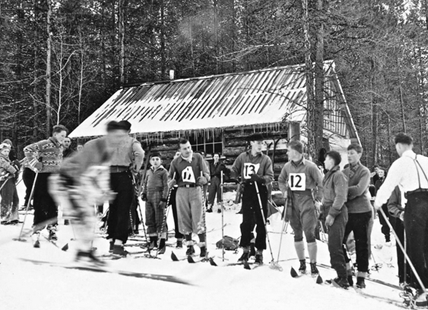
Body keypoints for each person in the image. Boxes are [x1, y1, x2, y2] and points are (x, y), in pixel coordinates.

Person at [50, 121, 121, 266]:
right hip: (65, 182)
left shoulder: (108, 151)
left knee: (89, 218)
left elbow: (101, 175)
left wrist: (105, 191)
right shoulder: (95, 147)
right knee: (82, 217)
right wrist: (95, 193)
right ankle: (84, 252)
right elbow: (82, 174)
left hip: (77, 184)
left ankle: (84, 252)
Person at [374, 133, 428, 304]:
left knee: (415, 247)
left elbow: (388, 185)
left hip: (415, 203)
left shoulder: (400, 163)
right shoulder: (425, 160)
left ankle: (420, 289)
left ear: (398, 146)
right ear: (411, 145)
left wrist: (377, 204)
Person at [278, 140, 323, 275]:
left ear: (296, 152)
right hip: (293, 200)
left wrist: (318, 199)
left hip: (307, 199)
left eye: (289, 150)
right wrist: (284, 191)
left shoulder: (310, 166)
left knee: (309, 231)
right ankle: (302, 263)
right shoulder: (287, 167)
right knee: (297, 231)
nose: (287, 153)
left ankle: (313, 264)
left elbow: (321, 183)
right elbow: (281, 180)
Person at [230, 133, 274, 265]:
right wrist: (229, 173)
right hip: (248, 189)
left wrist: (260, 179)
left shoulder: (265, 159)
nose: (261, 146)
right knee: (246, 221)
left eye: (262, 143)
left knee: (261, 222)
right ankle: (246, 249)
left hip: (260, 189)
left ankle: (259, 252)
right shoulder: (243, 157)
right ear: (251, 144)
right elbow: (234, 170)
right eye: (258, 143)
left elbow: (270, 176)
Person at [24, 124, 68, 247]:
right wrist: (35, 163)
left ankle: (52, 228)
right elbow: (28, 149)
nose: (63, 138)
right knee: (40, 201)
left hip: (55, 177)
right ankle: (37, 227)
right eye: (62, 135)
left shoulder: (60, 146)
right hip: (43, 176)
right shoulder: (45, 143)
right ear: (55, 134)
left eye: (65, 136)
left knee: (53, 202)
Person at [106, 120, 144, 256]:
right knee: (123, 209)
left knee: (113, 208)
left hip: (109, 176)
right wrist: (136, 167)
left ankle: (111, 240)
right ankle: (118, 244)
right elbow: (140, 154)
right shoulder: (131, 141)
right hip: (123, 175)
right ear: (128, 130)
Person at [168, 139, 210, 257]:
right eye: (184, 148)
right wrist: (170, 182)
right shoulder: (175, 162)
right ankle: (189, 246)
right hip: (181, 190)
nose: (188, 150)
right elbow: (170, 176)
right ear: (179, 150)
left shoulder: (198, 158)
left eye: (189, 147)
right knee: (184, 217)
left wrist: (205, 179)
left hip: (195, 189)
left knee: (198, 217)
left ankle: (202, 246)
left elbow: (206, 173)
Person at [342, 143, 372, 289]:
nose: (349, 156)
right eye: (348, 153)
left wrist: (343, 192)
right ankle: (347, 270)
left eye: (352, 153)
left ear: (359, 154)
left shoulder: (364, 171)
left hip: (362, 212)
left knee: (362, 244)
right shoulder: (344, 171)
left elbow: (360, 189)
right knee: (339, 241)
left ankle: (361, 276)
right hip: (347, 212)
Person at [321, 151, 349, 288]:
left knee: (335, 245)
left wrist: (331, 214)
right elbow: (326, 196)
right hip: (330, 211)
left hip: (337, 213)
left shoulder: (338, 176)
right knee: (333, 245)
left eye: (326, 159)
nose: (324, 161)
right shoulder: (329, 175)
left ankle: (343, 278)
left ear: (331, 161)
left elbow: (340, 197)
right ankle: (342, 274)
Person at [142, 152, 169, 254]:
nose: (155, 161)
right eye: (153, 159)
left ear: (161, 161)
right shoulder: (149, 171)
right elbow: (145, 183)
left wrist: (164, 199)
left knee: (159, 218)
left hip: (158, 195)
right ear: (150, 161)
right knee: (150, 218)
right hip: (149, 195)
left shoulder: (163, 172)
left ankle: (161, 243)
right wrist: (144, 193)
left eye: (157, 159)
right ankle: (152, 240)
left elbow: (166, 186)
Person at [387, 186, 410, 286]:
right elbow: (391, 205)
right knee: (403, 249)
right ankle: (404, 278)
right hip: (402, 220)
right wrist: (399, 213)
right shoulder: (398, 186)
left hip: (420, 220)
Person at [0, 143, 21, 225]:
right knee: (7, 198)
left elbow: (10, 165)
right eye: (4, 151)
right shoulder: (1, 158)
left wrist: (16, 165)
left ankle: (14, 216)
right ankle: (4, 216)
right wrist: (15, 169)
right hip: (4, 179)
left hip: (10, 179)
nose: (6, 153)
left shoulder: (7, 158)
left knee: (15, 198)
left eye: (7, 151)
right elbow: (7, 166)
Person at [169, 151, 183, 248]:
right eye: (177, 155)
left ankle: (185, 235)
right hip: (173, 192)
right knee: (175, 215)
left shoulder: (185, 166)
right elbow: (168, 178)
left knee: (183, 215)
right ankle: (179, 238)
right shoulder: (171, 167)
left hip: (183, 191)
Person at [374, 168, 391, 245]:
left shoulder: (388, 180)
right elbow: (376, 192)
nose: (380, 173)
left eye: (381, 172)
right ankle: (386, 236)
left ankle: (389, 236)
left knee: (390, 219)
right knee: (383, 221)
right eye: (379, 172)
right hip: (381, 203)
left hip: (388, 202)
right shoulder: (377, 182)